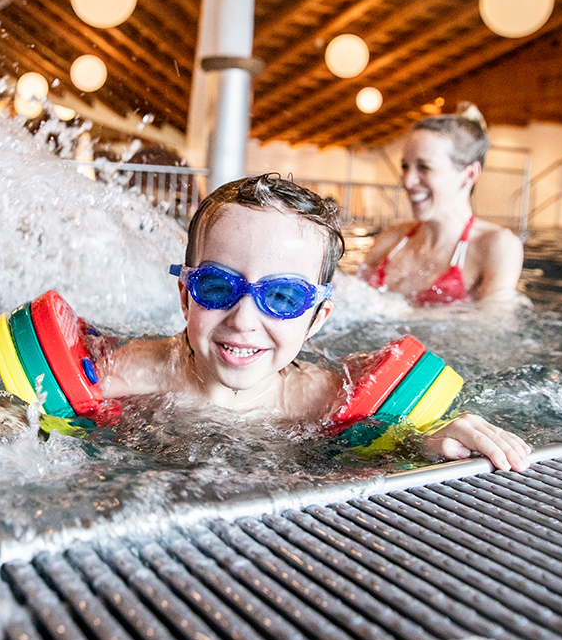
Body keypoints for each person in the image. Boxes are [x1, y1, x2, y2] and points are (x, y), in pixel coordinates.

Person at [101, 173, 530, 472]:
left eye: (282, 297)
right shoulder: (125, 375)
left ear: (316, 319)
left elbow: (396, 441)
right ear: (185, 296)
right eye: (217, 286)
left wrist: (428, 439)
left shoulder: (323, 403)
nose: (244, 319)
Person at [361, 104, 524, 305]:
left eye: (424, 167)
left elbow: (495, 321)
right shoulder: (391, 239)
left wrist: (392, 311)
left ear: (469, 175)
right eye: (405, 166)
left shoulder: (496, 246)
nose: (407, 181)